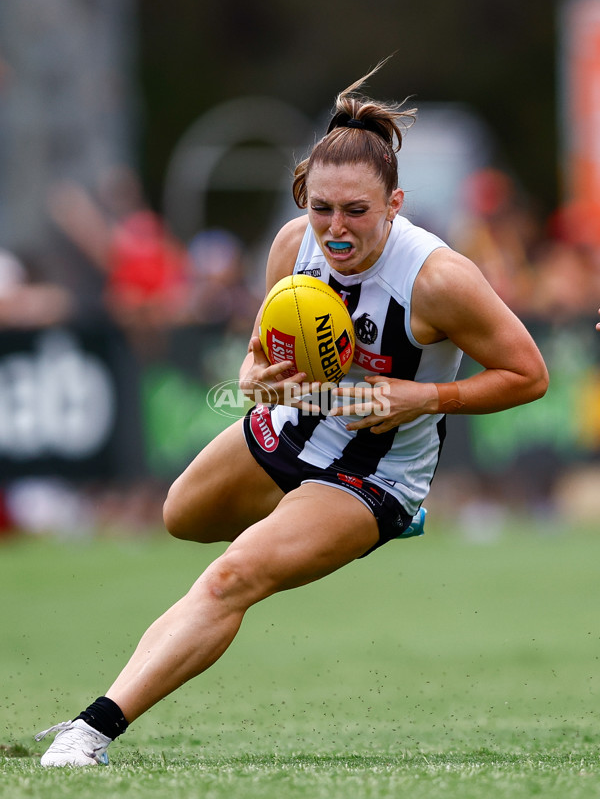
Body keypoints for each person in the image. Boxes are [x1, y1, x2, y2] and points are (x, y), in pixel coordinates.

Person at [35, 62, 549, 766]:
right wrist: (255, 377)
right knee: (180, 517)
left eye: (357, 212)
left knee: (231, 577)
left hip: (373, 473)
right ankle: (296, 528)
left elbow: (529, 375)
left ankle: (89, 732)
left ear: (395, 203)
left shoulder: (439, 279)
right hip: (294, 429)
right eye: (322, 208)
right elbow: (256, 352)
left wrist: (423, 397)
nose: (336, 230)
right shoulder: (291, 244)